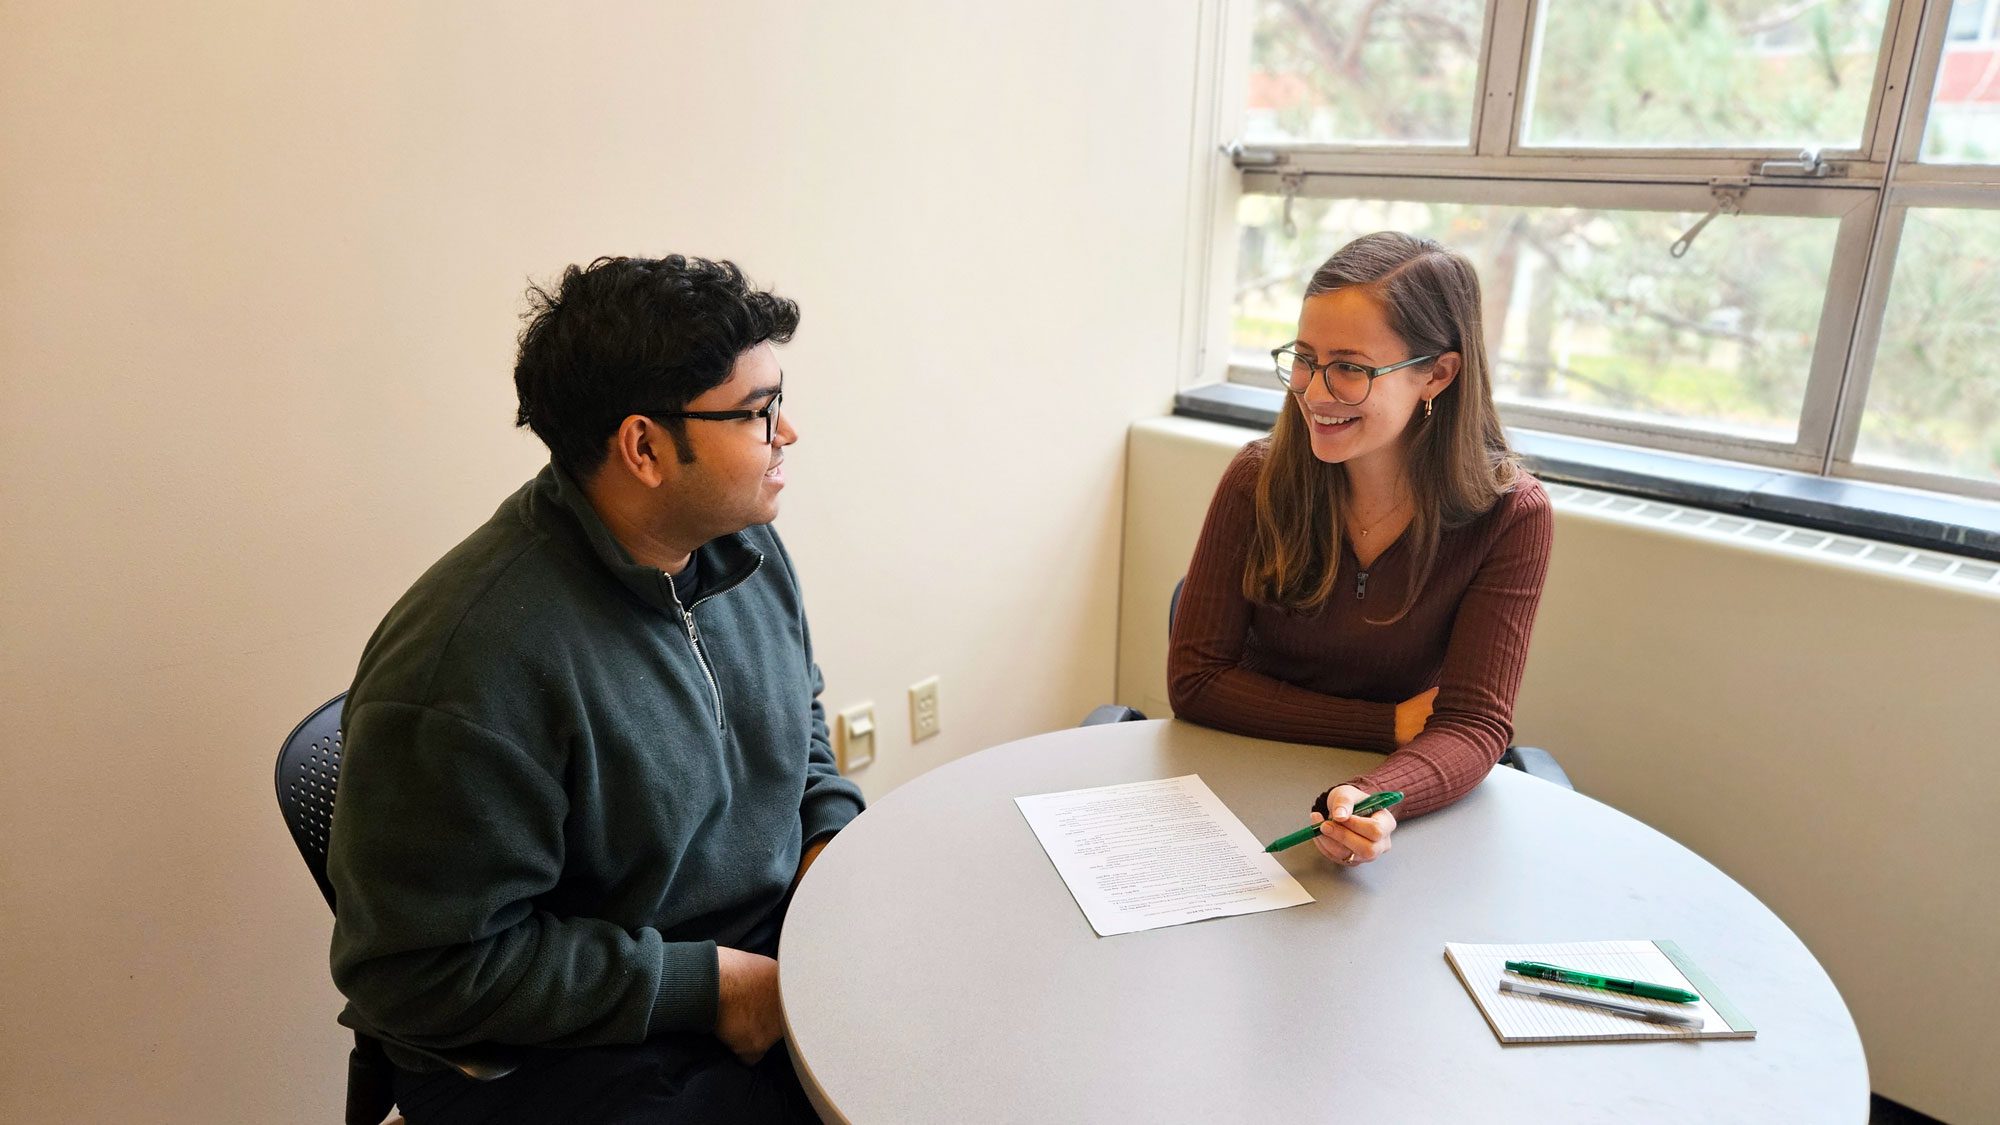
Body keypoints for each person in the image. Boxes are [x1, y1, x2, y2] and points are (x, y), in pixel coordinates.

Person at [326, 254, 862, 1123]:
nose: (787, 434)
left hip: (752, 958)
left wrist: (827, 846)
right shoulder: (470, 663)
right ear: (644, 447)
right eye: (758, 413)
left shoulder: (740, 547)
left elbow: (795, 724)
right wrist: (712, 988)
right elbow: (415, 973)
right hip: (565, 1050)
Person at [1168, 231, 1553, 870]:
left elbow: (1475, 726)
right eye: (1304, 357)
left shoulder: (1511, 516)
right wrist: (1385, 725)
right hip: (1232, 784)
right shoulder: (1257, 480)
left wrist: (1372, 795)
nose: (1315, 392)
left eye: (1350, 367)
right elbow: (1196, 683)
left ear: (1438, 373)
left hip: (1382, 806)